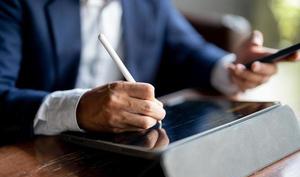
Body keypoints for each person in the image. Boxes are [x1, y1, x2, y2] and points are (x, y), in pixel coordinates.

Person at [0, 0, 299, 139]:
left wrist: (232, 68)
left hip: (127, 150)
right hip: (34, 149)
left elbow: (189, 51)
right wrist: (77, 109)